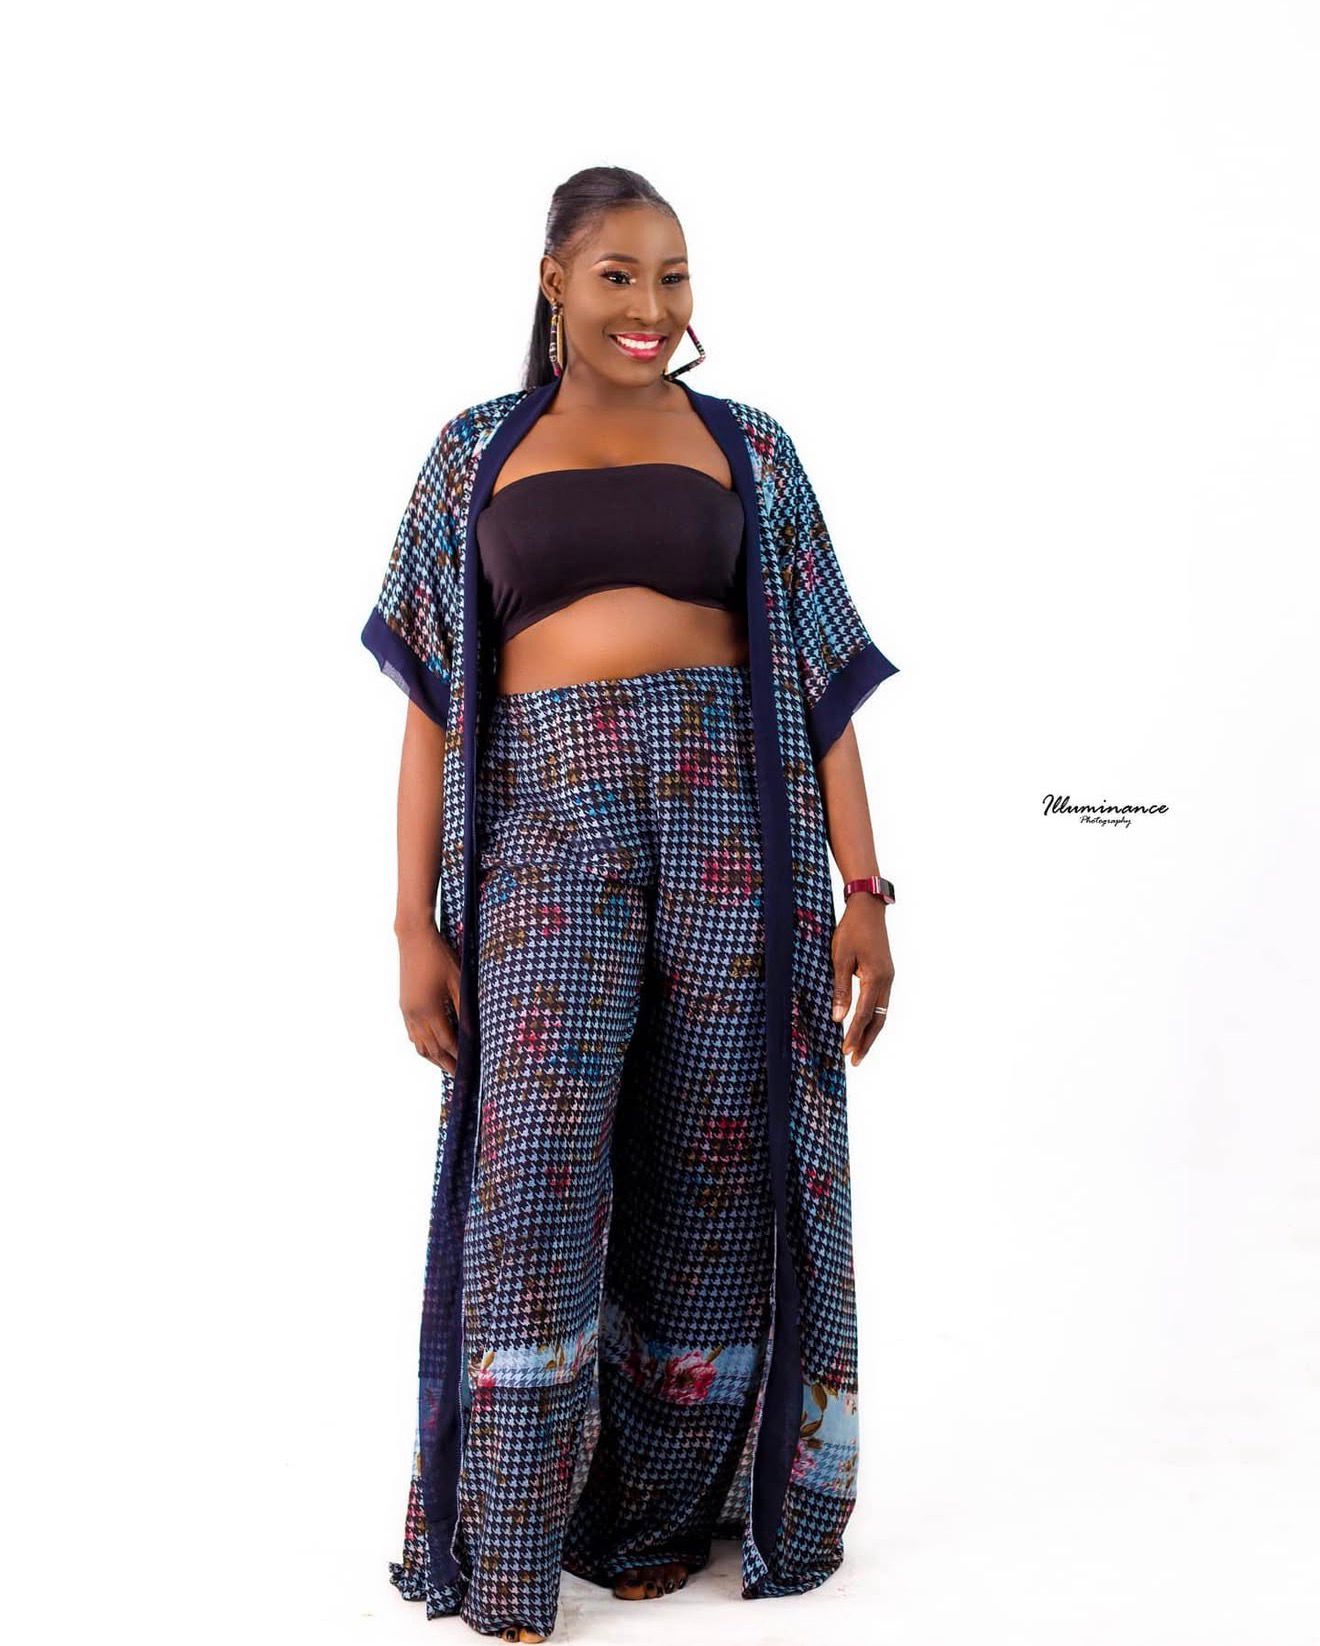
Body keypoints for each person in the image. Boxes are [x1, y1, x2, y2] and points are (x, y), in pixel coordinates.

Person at [361, 165, 900, 1643]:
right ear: (555, 280)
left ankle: (656, 1519)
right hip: (548, 834)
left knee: (712, 1171)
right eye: (618, 275)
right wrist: (412, 923)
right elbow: (429, 708)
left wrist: (864, 890)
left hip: (734, 825)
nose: (650, 306)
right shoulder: (472, 454)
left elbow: (824, 686)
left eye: (673, 276)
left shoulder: (752, 449)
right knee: (531, 1171)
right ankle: (512, 1554)